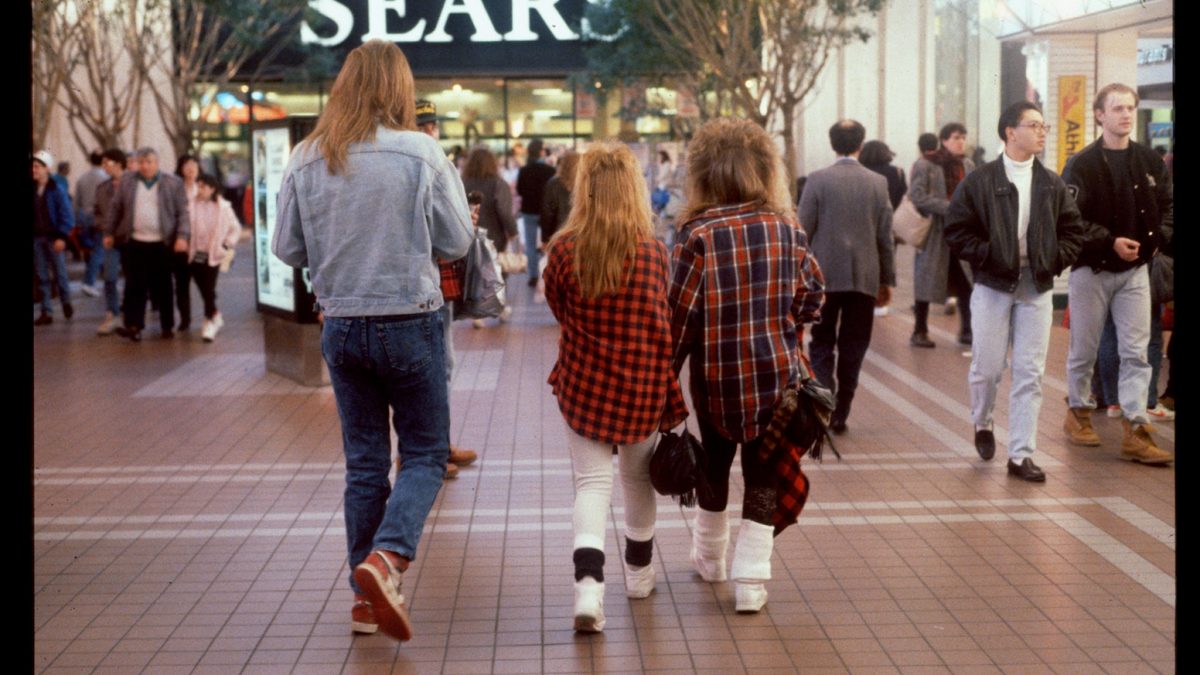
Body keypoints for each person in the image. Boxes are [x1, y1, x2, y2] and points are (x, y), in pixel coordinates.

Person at [271, 40, 474, 643]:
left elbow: (286, 249)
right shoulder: (422, 152)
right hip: (409, 321)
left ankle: (365, 603)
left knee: (364, 466)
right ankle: (386, 560)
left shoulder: (309, 156)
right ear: (400, 90)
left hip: (341, 325)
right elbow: (457, 239)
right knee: (425, 454)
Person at [670, 118, 825, 614]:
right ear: (764, 169)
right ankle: (751, 583)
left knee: (714, 465)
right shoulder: (788, 229)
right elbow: (812, 299)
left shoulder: (697, 234)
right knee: (762, 475)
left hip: (715, 380)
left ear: (704, 174)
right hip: (776, 380)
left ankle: (709, 560)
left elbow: (680, 319)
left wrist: (664, 381)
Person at [543, 142, 686, 633]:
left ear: (583, 189)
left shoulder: (562, 249)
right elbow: (661, 321)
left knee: (591, 484)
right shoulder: (652, 251)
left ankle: (588, 589)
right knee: (636, 480)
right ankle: (639, 574)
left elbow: (558, 309)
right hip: (642, 386)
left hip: (583, 384)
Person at [944, 101, 1086, 482]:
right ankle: (983, 421)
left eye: (1044, 125)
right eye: (1034, 125)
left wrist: (1052, 262)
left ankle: (1021, 454)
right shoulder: (980, 180)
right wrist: (989, 255)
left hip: (1036, 286)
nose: (1042, 132)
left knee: (1030, 372)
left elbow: (1074, 230)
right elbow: (956, 230)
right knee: (988, 368)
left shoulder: (1050, 182)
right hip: (992, 284)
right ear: (1010, 132)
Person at [1061, 83, 1174, 465]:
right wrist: (1109, 242)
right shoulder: (1082, 164)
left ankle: (1135, 427)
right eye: (1117, 108)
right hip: (1092, 269)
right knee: (1085, 348)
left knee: (1136, 351)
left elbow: (1169, 206)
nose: (1126, 115)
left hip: (1137, 271)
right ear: (1099, 115)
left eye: (1130, 108)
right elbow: (1071, 219)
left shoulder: (1149, 161)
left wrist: (1160, 239)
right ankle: (1078, 412)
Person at [798, 119, 895, 433]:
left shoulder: (816, 180)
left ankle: (825, 403)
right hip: (864, 278)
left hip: (822, 277)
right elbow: (885, 238)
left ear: (832, 144)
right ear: (860, 145)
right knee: (855, 344)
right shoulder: (878, 183)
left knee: (822, 342)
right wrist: (886, 280)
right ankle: (842, 410)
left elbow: (802, 232)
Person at [415, 98, 479, 479]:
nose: (429, 132)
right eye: (422, 126)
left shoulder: (437, 164)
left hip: (438, 282)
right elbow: (451, 237)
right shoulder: (420, 165)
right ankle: (426, 451)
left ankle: (438, 444)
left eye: (432, 126)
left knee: (444, 365)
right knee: (431, 368)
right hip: (423, 283)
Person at [104, 147, 191, 342]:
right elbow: (115, 207)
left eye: (149, 162)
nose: (144, 166)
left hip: (162, 243)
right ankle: (134, 325)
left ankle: (167, 325)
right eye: (141, 162)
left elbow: (183, 212)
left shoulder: (171, 183)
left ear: (157, 163)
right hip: (135, 241)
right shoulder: (128, 182)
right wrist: (109, 232)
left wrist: (182, 236)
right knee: (135, 285)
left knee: (164, 285)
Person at [908, 123, 977, 348]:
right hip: (935, 233)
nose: (961, 142)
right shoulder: (926, 164)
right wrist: (950, 207)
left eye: (963, 137)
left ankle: (966, 329)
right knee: (926, 280)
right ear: (944, 140)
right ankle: (919, 330)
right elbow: (916, 196)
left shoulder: (967, 164)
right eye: (956, 137)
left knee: (966, 281)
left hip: (961, 233)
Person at [461, 146, 518, 327]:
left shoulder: (462, 182)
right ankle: (499, 308)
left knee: (475, 272)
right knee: (497, 272)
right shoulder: (498, 184)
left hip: (469, 234)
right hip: (494, 235)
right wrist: (512, 231)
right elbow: (505, 211)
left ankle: (477, 312)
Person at [185, 174, 241, 342]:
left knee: (209, 289)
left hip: (214, 255)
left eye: (203, 186)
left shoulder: (223, 207)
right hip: (194, 253)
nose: (200, 189)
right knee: (203, 288)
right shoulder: (191, 204)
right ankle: (214, 314)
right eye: (198, 186)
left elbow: (235, 228)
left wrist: (226, 244)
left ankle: (209, 320)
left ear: (212, 188)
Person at [33, 150, 75, 326]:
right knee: (41, 275)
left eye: (37, 166)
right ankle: (46, 311)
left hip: (53, 238)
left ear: (46, 169)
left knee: (60, 273)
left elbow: (66, 215)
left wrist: (62, 237)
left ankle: (66, 301)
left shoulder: (56, 190)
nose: (33, 170)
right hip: (36, 239)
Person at [94, 149, 128, 335]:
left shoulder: (132, 184)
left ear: (119, 163)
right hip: (110, 239)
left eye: (108, 163)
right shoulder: (102, 188)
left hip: (131, 239)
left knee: (133, 278)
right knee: (109, 277)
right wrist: (106, 230)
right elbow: (97, 213)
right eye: (103, 163)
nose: (104, 166)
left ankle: (129, 314)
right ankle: (112, 313)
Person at [516, 138, 555, 287]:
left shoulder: (524, 170)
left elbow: (520, 190)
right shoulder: (550, 171)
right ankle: (551, 274)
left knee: (531, 246)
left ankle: (533, 275)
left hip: (529, 211)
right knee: (550, 244)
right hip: (547, 212)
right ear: (540, 152)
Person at [173, 155, 202, 331]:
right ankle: (185, 319)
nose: (190, 169)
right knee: (181, 283)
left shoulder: (205, 188)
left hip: (201, 244)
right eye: (187, 166)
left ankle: (210, 315)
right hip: (181, 243)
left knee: (204, 284)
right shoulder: (176, 188)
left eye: (194, 166)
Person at [76, 150, 109, 297]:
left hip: (84, 217)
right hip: (99, 217)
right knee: (99, 249)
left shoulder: (81, 179)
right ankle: (89, 282)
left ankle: (96, 278)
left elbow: (76, 204)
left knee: (92, 250)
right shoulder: (105, 178)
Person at [538, 150, 579, 244]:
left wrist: (545, 239)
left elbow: (546, 213)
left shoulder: (553, 184)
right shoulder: (587, 183)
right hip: (582, 235)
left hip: (559, 236)